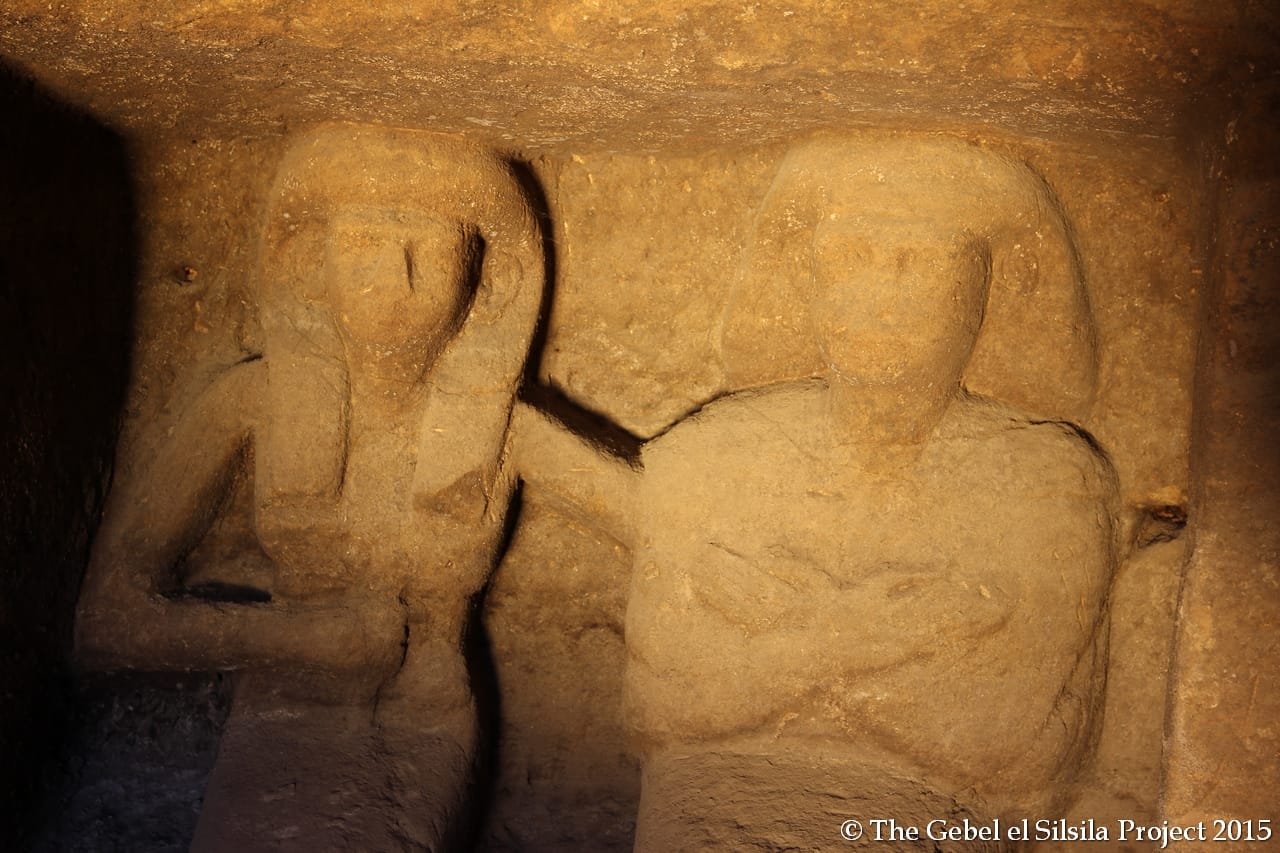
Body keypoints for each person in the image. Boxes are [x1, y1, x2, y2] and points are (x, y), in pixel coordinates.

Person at [514, 133, 1119, 850]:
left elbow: (1018, 751)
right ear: (810, 283)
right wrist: (889, 634)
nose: (880, 298)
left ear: (985, 289)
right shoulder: (718, 450)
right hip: (713, 806)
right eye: (850, 260)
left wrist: (778, 643)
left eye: (918, 263)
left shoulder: (1049, 482)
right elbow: (666, 704)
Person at [76, 123, 545, 850]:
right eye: (362, 247)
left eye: (430, 248)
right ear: (306, 265)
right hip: (281, 714)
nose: (396, 281)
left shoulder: (502, 424)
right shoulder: (250, 403)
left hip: (420, 720)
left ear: (490, 278)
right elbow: (107, 622)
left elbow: (667, 509)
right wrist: (298, 638)